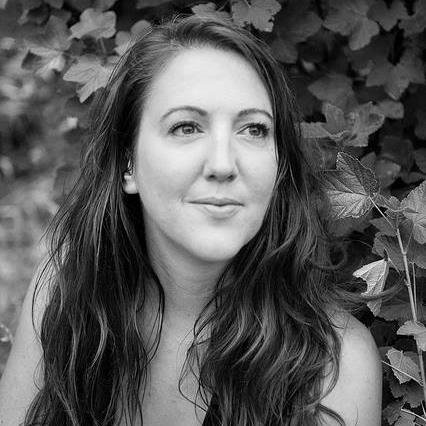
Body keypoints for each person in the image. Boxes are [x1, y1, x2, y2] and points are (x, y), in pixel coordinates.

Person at [0, 13, 382, 426]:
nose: (223, 164)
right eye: (186, 127)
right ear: (128, 163)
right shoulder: (66, 292)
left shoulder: (333, 365)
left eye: (253, 129)